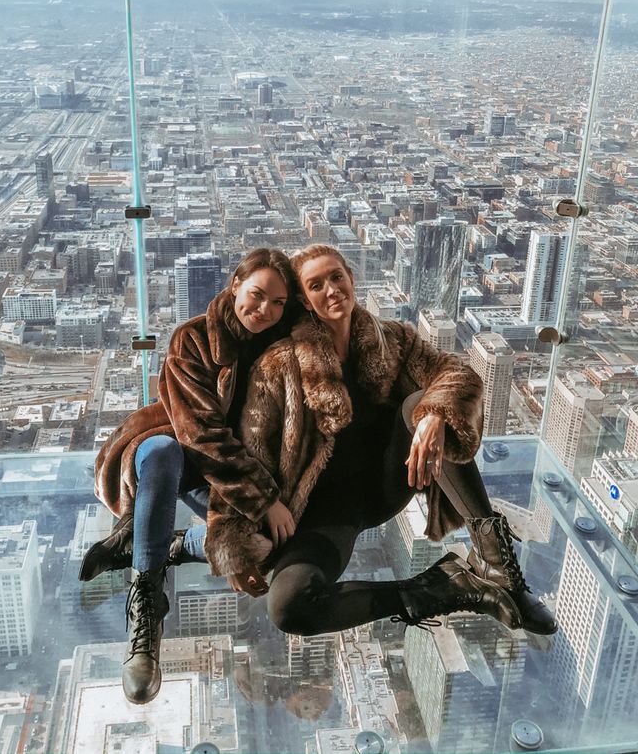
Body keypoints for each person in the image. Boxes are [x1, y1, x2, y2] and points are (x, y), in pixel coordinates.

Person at [204, 244, 557, 637]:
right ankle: (451, 588)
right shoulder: (280, 364)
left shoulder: (393, 338)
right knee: (288, 608)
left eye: (337, 277)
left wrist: (434, 414)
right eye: (317, 285)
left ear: (352, 279)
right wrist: (233, 542)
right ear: (304, 300)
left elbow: (455, 372)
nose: (332, 289)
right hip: (324, 509)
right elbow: (251, 450)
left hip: (389, 481)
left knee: (423, 405)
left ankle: (496, 562)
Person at [82, 248, 299, 704]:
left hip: (223, 471)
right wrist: (263, 499)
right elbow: (201, 435)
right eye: (257, 295)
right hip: (171, 449)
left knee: (268, 543)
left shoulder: (285, 346)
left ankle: (168, 542)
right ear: (235, 283)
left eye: (278, 302)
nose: (265, 310)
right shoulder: (194, 339)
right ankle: (146, 606)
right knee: (161, 453)